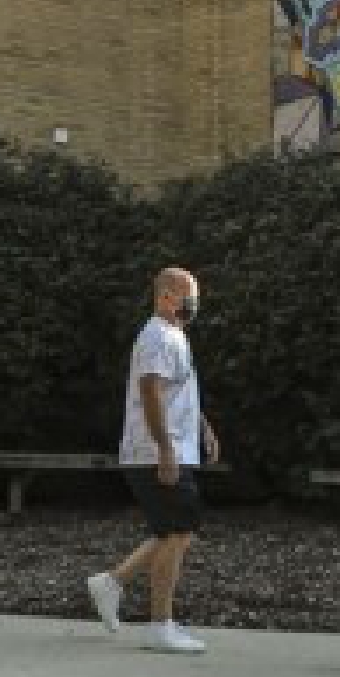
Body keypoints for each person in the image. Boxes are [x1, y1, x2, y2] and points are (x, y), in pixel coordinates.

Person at [86, 267, 219, 653]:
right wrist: (164, 451)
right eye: (186, 295)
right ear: (164, 296)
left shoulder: (174, 336)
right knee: (179, 533)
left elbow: (178, 393)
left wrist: (205, 427)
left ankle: (112, 583)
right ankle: (161, 626)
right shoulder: (157, 337)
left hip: (171, 448)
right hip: (157, 452)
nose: (194, 303)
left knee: (173, 532)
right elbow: (151, 394)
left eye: (195, 295)